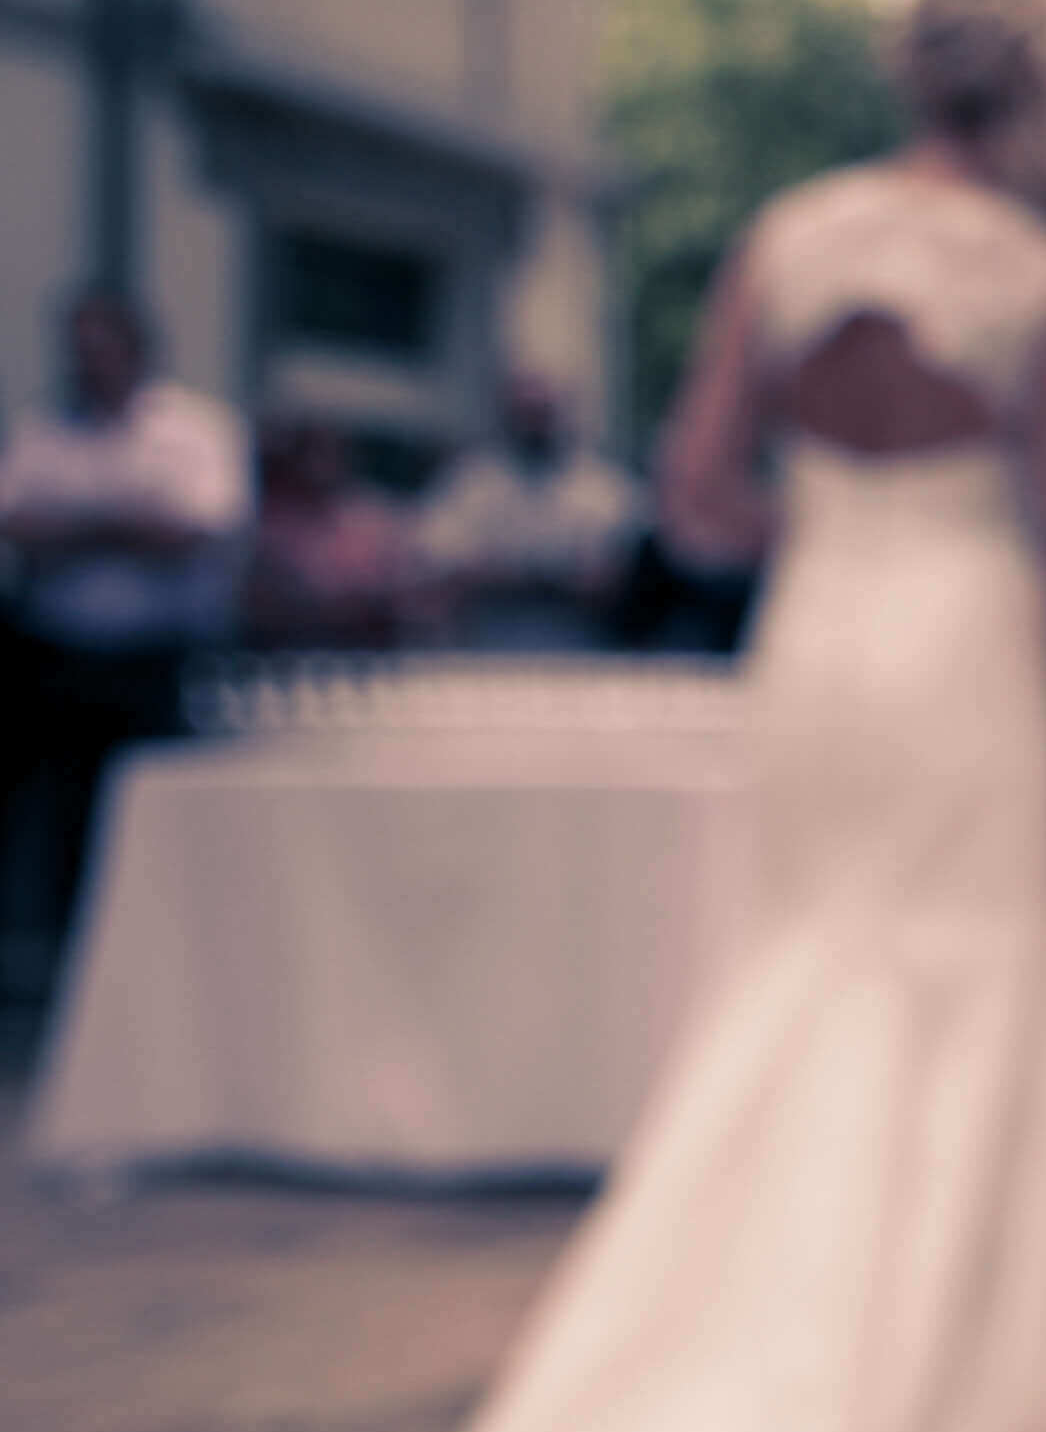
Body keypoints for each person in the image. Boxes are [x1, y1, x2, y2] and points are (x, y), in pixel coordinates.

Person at [47, 0, 1046, 1432]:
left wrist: (836, 524)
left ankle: (765, 1357)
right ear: (1039, 84)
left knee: (814, 991)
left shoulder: (791, 232)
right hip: (971, 663)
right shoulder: (1045, 278)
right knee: (958, 999)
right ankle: (938, 1415)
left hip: (827, 653)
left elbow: (695, 494)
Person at [0, 289, 247, 1012]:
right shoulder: (44, 430)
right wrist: (126, 520)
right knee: (63, 827)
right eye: (78, 348)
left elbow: (193, 533)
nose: (87, 363)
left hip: (153, 663)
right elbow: (19, 528)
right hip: (59, 659)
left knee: (154, 820)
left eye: (101, 347)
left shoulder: (193, 432)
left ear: (135, 351)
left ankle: (155, 987)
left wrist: (77, 526)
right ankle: (70, 986)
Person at [419, 370, 641, 650]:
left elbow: (612, 584)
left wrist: (505, 573)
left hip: (584, 662)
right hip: (486, 662)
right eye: (525, 412)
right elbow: (443, 572)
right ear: (506, 413)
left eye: (542, 411)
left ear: (565, 411)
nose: (534, 423)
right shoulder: (468, 484)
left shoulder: (607, 490)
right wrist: (556, 577)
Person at [241, 419, 428, 651]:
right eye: (309, 452)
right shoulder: (268, 524)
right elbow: (258, 606)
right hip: (291, 654)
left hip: (367, 656)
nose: (318, 465)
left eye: (327, 453)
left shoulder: (374, 518)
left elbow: (409, 596)